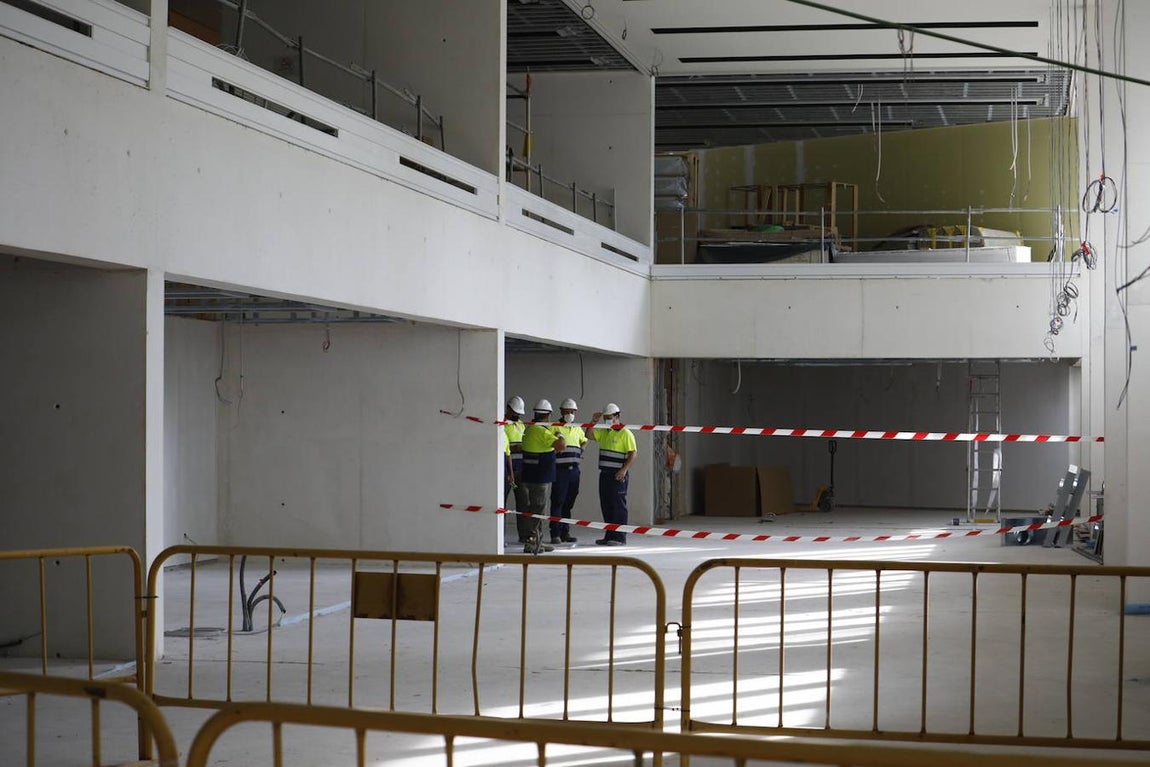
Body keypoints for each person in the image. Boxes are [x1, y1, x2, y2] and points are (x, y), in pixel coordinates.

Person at [520, 399, 565, 553]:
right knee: (538, 510)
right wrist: (559, 433)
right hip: (540, 478)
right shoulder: (542, 432)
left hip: (530, 476)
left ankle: (536, 540)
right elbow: (561, 446)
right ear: (548, 415)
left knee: (534, 509)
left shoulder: (530, 429)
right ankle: (532, 542)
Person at [587, 403, 636, 546]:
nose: (608, 421)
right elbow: (589, 435)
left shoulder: (625, 433)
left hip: (618, 476)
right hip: (605, 474)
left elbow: (633, 454)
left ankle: (619, 538)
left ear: (618, 417)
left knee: (618, 507)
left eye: (610, 418)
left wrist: (624, 470)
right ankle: (609, 535)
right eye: (606, 418)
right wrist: (593, 422)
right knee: (606, 505)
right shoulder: (604, 431)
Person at [549, 398, 588, 545]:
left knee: (568, 503)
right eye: (567, 412)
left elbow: (585, 440)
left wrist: (581, 451)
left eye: (572, 412)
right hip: (560, 471)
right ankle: (555, 533)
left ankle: (565, 532)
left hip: (574, 471)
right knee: (558, 501)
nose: (570, 414)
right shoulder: (554, 427)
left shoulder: (577, 428)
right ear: (561, 411)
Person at [503, 396, 531, 544]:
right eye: (515, 412)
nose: (517, 415)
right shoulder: (502, 424)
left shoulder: (521, 425)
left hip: (522, 469)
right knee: (503, 504)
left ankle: (525, 535)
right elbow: (505, 447)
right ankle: (500, 537)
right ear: (508, 408)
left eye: (519, 413)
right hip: (507, 470)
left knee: (524, 503)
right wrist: (517, 447)